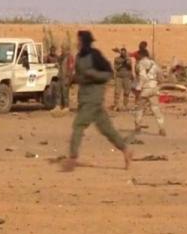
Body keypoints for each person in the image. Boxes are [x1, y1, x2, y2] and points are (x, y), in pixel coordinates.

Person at [63, 30, 132, 172]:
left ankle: (72, 158)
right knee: (107, 129)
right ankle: (126, 150)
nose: (77, 43)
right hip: (85, 98)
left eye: (80, 41)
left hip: (93, 98)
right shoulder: (78, 57)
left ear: (85, 42)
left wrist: (91, 74)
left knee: (78, 125)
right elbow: (80, 75)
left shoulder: (95, 55)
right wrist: (73, 79)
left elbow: (108, 73)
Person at [134, 49, 166, 136]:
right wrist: (158, 83)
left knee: (139, 108)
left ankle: (138, 125)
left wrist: (138, 87)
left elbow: (141, 76)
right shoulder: (154, 64)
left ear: (141, 55)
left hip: (145, 88)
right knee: (155, 108)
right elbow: (160, 76)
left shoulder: (140, 64)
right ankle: (161, 128)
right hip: (153, 88)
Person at [51, 44, 74, 114]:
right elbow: (57, 62)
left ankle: (66, 107)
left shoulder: (70, 57)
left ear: (67, 50)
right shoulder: (61, 57)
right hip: (60, 76)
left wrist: (69, 78)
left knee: (65, 93)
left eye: (63, 49)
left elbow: (71, 68)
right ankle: (58, 106)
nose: (61, 50)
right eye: (61, 49)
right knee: (58, 92)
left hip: (65, 77)